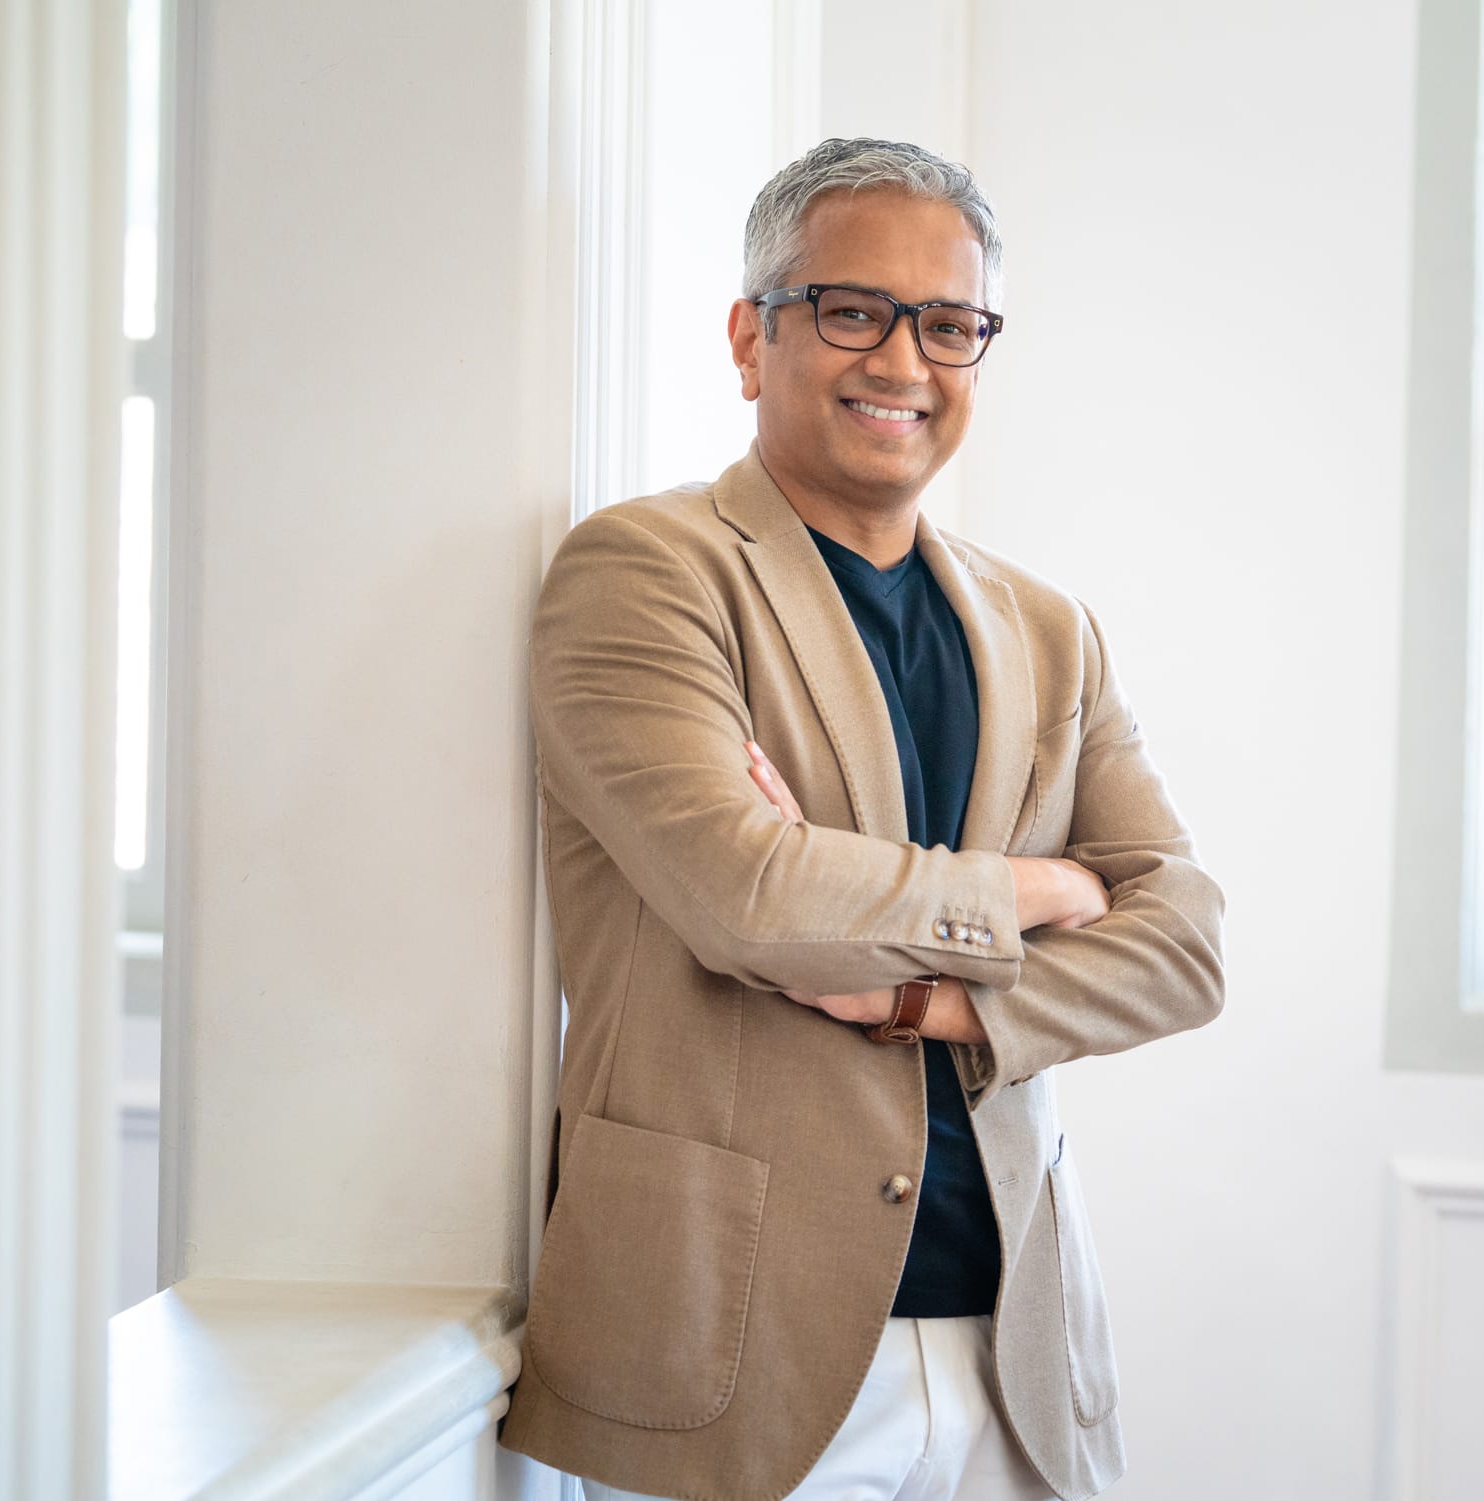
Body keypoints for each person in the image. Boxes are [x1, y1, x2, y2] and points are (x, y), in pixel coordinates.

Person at [497, 137, 1225, 1501]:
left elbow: (1186, 945)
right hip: (730, 1349)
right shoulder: (646, 572)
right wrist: (1046, 889)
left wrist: (919, 1004)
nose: (902, 362)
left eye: (948, 325)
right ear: (748, 335)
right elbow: (750, 900)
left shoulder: (1044, 628)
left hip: (1016, 1342)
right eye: (852, 310)